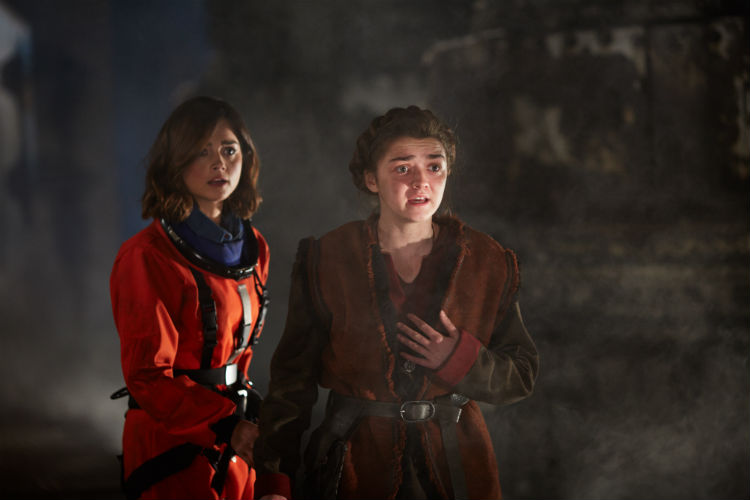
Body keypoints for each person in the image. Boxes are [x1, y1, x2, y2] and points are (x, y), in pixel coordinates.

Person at [253, 105, 539, 500]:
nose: (421, 182)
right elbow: (292, 381)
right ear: (371, 179)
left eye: (434, 167)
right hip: (354, 464)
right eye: (403, 168)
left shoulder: (487, 261)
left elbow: (522, 373)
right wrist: (274, 479)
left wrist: (459, 359)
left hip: (457, 467)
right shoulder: (329, 257)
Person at [110, 96, 270, 500]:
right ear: (175, 163)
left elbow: (239, 357)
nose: (219, 164)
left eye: (229, 150)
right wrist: (226, 426)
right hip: (171, 443)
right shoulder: (148, 256)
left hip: (237, 438)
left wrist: (246, 427)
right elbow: (148, 376)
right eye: (202, 151)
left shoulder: (254, 248)